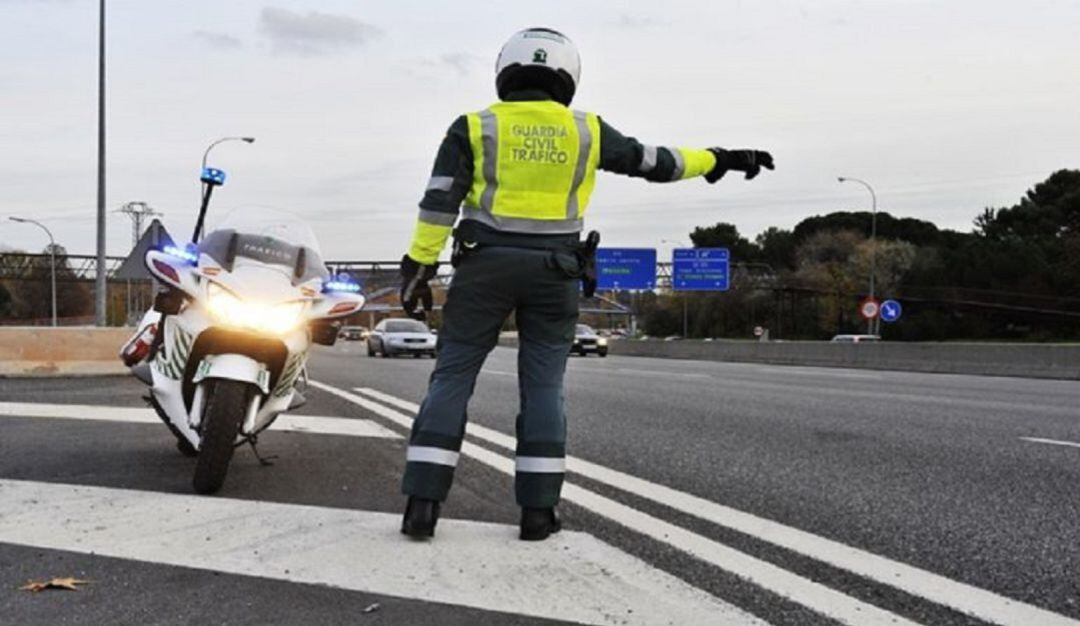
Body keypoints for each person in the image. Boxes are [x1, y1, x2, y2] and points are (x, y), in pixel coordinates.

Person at [398, 27, 774, 540]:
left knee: (452, 377)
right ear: (568, 76)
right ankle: (537, 512)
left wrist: (417, 269)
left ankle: (423, 504)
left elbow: (439, 201)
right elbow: (655, 162)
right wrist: (720, 159)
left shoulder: (473, 126)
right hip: (555, 273)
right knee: (544, 387)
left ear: (505, 72)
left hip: (483, 268)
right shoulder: (587, 130)